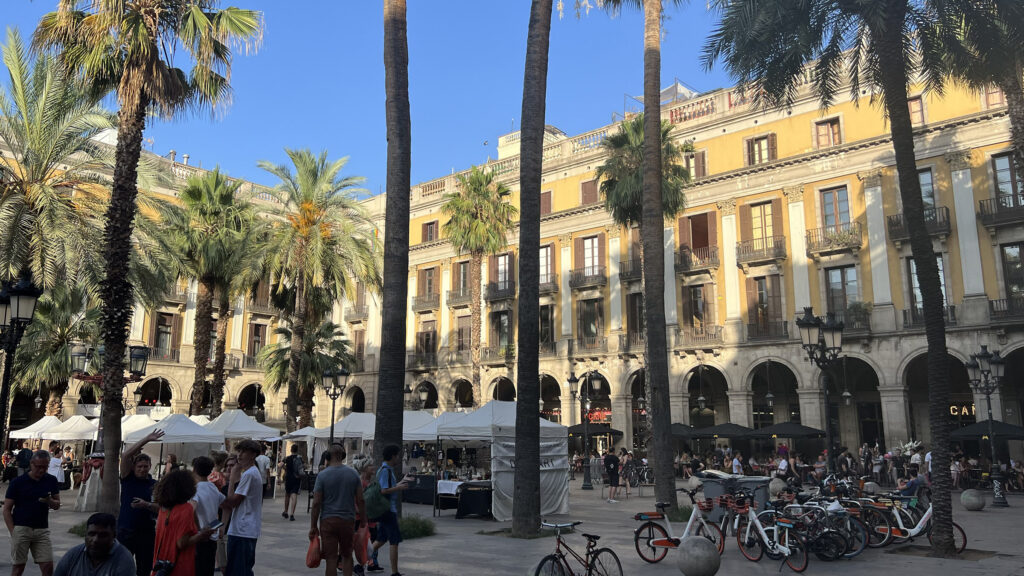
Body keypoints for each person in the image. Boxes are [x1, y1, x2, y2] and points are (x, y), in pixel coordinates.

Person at [310, 444, 365, 576]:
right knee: (347, 556)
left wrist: (313, 526)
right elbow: (361, 500)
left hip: (328, 521)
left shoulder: (322, 476)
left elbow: (316, 503)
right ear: (343, 456)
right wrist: (363, 521)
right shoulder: (353, 474)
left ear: (328, 456)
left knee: (331, 559)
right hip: (347, 521)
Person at [4, 450, 60, 576]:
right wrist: (13, 531)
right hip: (21, 527)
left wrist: (49, 501)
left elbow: (57, 505)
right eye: (38, 466)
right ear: (31, 463)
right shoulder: (17, 482)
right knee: (18, 567)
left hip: (41, 529)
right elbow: (7, 509)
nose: (41, 470)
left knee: (47, 565)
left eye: (45, 467)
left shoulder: (51, 480)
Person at [118, 429, 164, 576]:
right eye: (139, 467)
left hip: (147, 533)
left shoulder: (155, 484)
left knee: (144, 570)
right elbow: (125, 455)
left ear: (150, 466)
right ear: (134, 467)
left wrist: (147, 505)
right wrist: (147, 439)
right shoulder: (128, 479)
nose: (142, 469)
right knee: (123, 568)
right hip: (126, 531)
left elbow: (161, 509)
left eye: (145, 466)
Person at [152, 469, 214, 576]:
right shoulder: (186, 509)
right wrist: (202, 535)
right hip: (179, 566)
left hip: (161, 565)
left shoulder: (163, 509)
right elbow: (181, 543)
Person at [221, 440, 264, 576]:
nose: (239, 455)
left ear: (253, 454)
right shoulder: (252, 472)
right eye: (239, 451)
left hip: (242, 530)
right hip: (246, 529)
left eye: (243, 451)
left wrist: (232, 479)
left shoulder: (249, 474)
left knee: (237, 570)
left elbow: (233, 502)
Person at [367, 445, 410, 575]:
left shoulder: (385, 469)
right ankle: (395, 572)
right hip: (388, 510)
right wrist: (399, 488)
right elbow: (383, 490)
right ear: (392, 456)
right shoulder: (386, 470)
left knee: (380, 540)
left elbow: (386, 487)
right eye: (398, 455)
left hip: (386, 510)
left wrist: (400, 482)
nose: (399, 458)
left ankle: (360, 563)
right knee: (394, 541)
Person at [53, 513, 136, 576]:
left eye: (103, 535)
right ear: (86, 535)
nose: (95, 540)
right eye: (91, 534)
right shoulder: (73, 555)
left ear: (114, 536)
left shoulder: (124, 560)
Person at [191, 457, 225, 576]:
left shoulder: (195, 489)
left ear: (194, 469)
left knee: (198, 570)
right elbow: (225, 504)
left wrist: (198, 530)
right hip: (212, 535)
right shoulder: (213, 487)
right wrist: (220, 524)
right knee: (208, 570)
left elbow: (191, 510)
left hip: (201, 537)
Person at [351, 456, 377, 575]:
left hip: (369, 519)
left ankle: (360, 566)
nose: (373, 467)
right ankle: (358, 565)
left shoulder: (369, 483)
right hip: (361, 519)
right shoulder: (361, 483)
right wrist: (361, 513)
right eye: (371, 465)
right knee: (364, 545)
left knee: (367, 545)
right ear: (365, 468)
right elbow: (355, 501)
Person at [282, 445, 303, 522]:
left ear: (291, 450)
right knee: (294, 496)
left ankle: (286, 511)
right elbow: (302, 467)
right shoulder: (299, 458)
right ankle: (292, 514)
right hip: (296, 479)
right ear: (297, 450)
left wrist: (286, 469)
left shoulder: (287, 458)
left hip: (288, 478)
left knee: (287, 495)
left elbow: (280, 465)